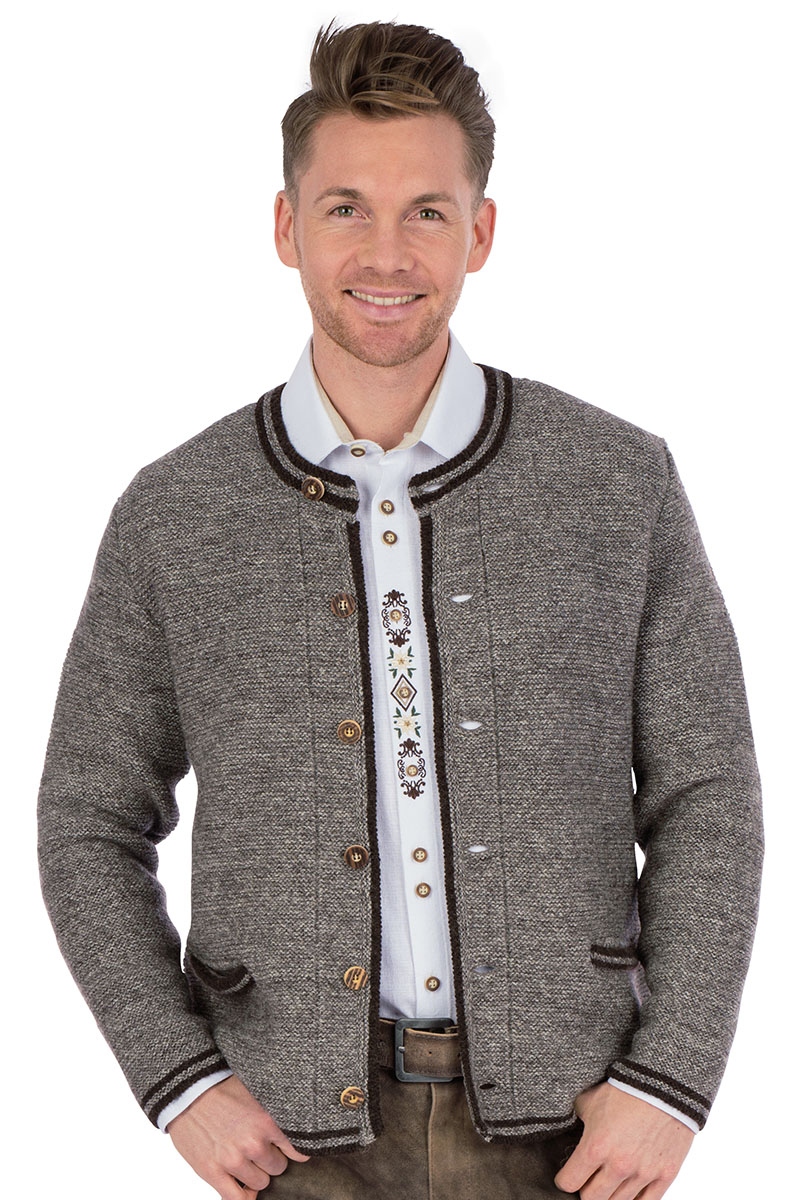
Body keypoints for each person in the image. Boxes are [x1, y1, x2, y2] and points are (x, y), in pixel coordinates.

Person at [38, 20, 763, 1200]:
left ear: (480, 231)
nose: (386, 253)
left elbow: (707, 794)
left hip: (575, 1130)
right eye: (345, 209)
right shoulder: (177, 514)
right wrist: (177, 1077)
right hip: (289, 1137)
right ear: (286, 227)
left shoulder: (614, 483)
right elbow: (86, 818)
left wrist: (670, 1078)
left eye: (426, 210)